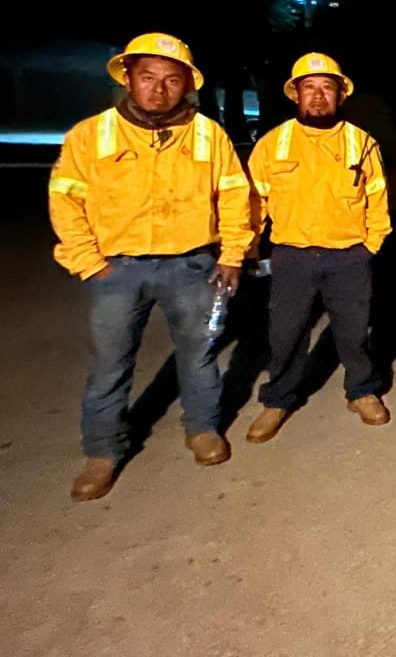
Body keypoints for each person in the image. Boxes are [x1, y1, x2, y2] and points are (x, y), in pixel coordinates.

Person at [49, 32, 252, 501]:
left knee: (199, 355)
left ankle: (202, 429)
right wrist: (88, 262)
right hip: (118, 268)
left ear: (187, 85)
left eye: (171, 79)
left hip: (192, 265)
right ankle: (102, 451)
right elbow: (65, 201)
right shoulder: (91, 135)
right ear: (128, 79)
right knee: (111, 362)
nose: (159, 89)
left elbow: (235, 197)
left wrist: (231, 254)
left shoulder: (207, 134)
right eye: (148, 77)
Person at [243, 53, 392, 442]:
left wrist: (370, 244)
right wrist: (249, 248)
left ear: (341, 94)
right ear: (296, 95)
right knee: (285, 332)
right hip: (291, 256)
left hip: (349, 255)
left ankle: (361, 390)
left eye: (328, 87)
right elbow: (255, 201)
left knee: (354, 331)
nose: (319, 96)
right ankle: (278, 399)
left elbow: (377, 198)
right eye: (309, 87)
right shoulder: (274, 143)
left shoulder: (360, 143)